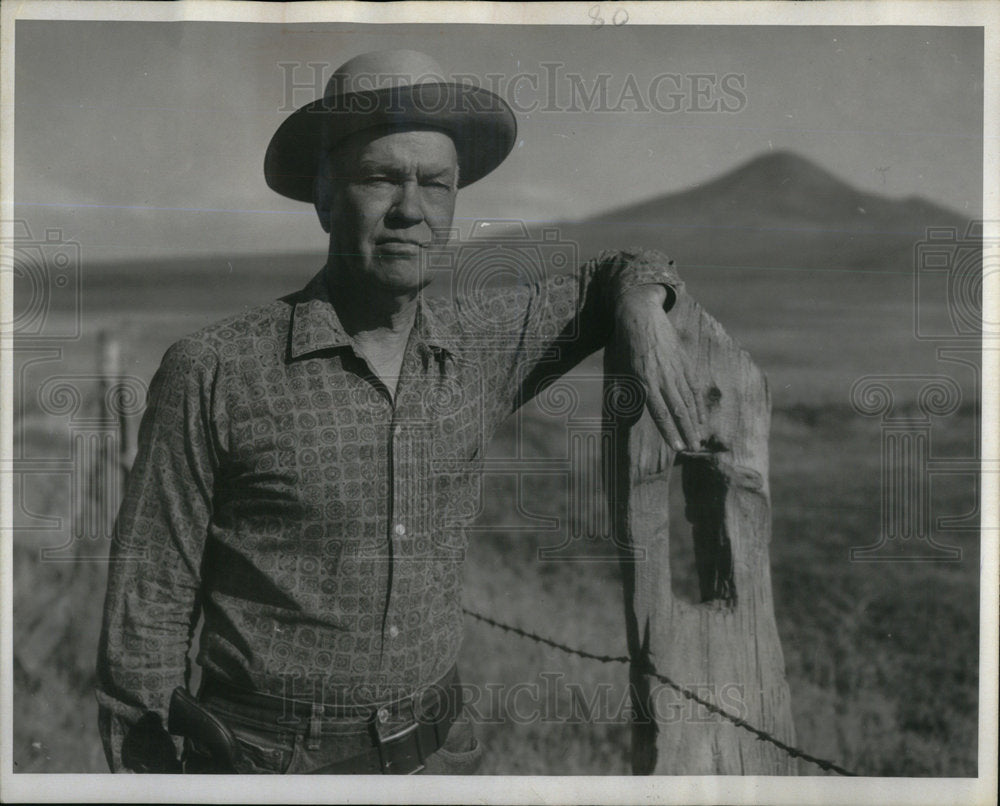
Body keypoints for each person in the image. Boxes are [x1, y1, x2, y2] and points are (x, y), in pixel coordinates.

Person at [96, 49, 704, 775]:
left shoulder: (480, 345)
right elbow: (149, 602)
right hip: (264, 765)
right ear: (326, 195)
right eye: (381, 178)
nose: (411, 209)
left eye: (435, 184)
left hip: (440, 756)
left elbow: (624, 266)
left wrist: (639, 305)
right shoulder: (216, 370)